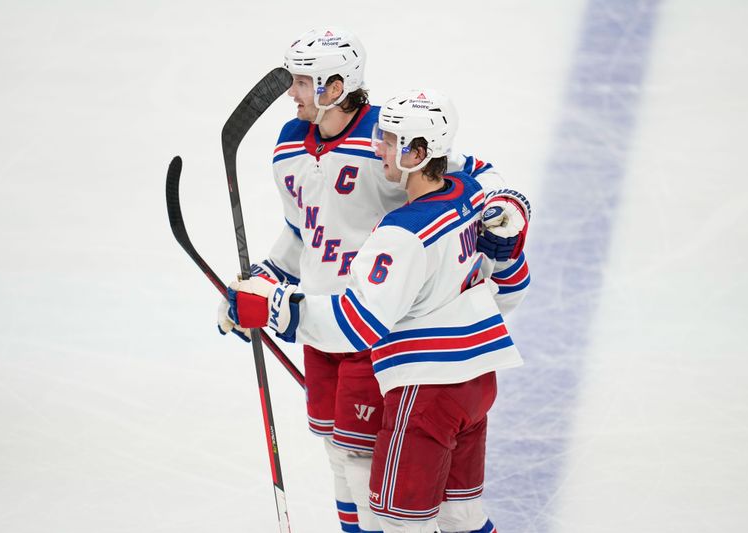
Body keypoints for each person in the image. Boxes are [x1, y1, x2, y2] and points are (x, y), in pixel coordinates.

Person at [218, 28, 530, 533]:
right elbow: (305, 232)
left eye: (301, 81)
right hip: (320, 324)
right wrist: (262, 285)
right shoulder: (288, 144)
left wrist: (506, 210)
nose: (291, 93)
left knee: (368, 471)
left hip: (376, 326)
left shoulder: (389, 136)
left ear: (335, 86)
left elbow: (474, 178)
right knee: (339, 458)